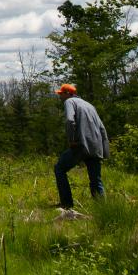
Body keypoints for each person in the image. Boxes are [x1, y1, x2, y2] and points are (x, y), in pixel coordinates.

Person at [53, 83, 108, 211]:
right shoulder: (89, 105)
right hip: (96, 146)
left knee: (59, 169)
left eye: (61, 94)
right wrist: (104, 150)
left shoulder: (70, 102)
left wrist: (71, 140)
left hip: (81, 144)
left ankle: (66, 204)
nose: (60, 97)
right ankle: (103, 210)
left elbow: (70, 121)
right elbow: (102, 128)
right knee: (96, 180)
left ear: (68, 94)